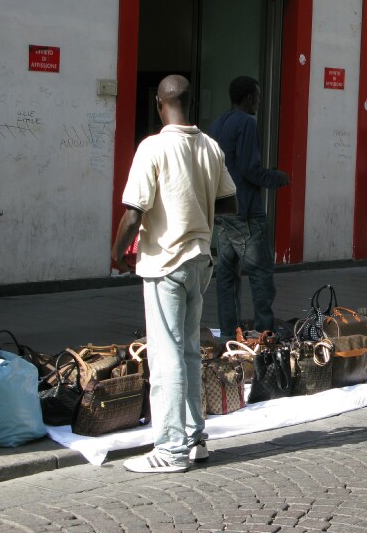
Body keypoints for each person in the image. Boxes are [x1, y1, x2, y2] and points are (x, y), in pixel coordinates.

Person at [112, 75, 237, 473]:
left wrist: (116, 253)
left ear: (158, 103)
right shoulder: (210, 147)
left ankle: (170, 449)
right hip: (199, 260)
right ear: (191, 102)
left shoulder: (152, 147)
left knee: (167, 356)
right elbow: (229, 202)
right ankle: (195, 438)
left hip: (165, 262)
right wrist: (196, 204)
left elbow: (133, 214)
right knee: (188, 352)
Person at [208, 76, 289, 343]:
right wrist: (277, 177)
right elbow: (249, 169)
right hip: (245, 211)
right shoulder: (247, 123)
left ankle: (228, 333)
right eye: (258, 96)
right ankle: (264, 333)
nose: (259, 101)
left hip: (223, 210)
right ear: (249, 97)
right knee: (260, 273)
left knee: (227, 275)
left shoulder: (218, 123)